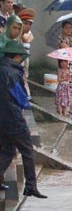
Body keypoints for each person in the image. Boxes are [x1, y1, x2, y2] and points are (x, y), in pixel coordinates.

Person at [0, 40, 46, 198]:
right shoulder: (13, 73)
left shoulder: (2, 69)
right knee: (27, 150)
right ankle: (31, 186)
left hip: (2, 120)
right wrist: (26, 103)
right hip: (13, 119)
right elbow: (21, 98)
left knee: (8, 149)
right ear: (18, 56)